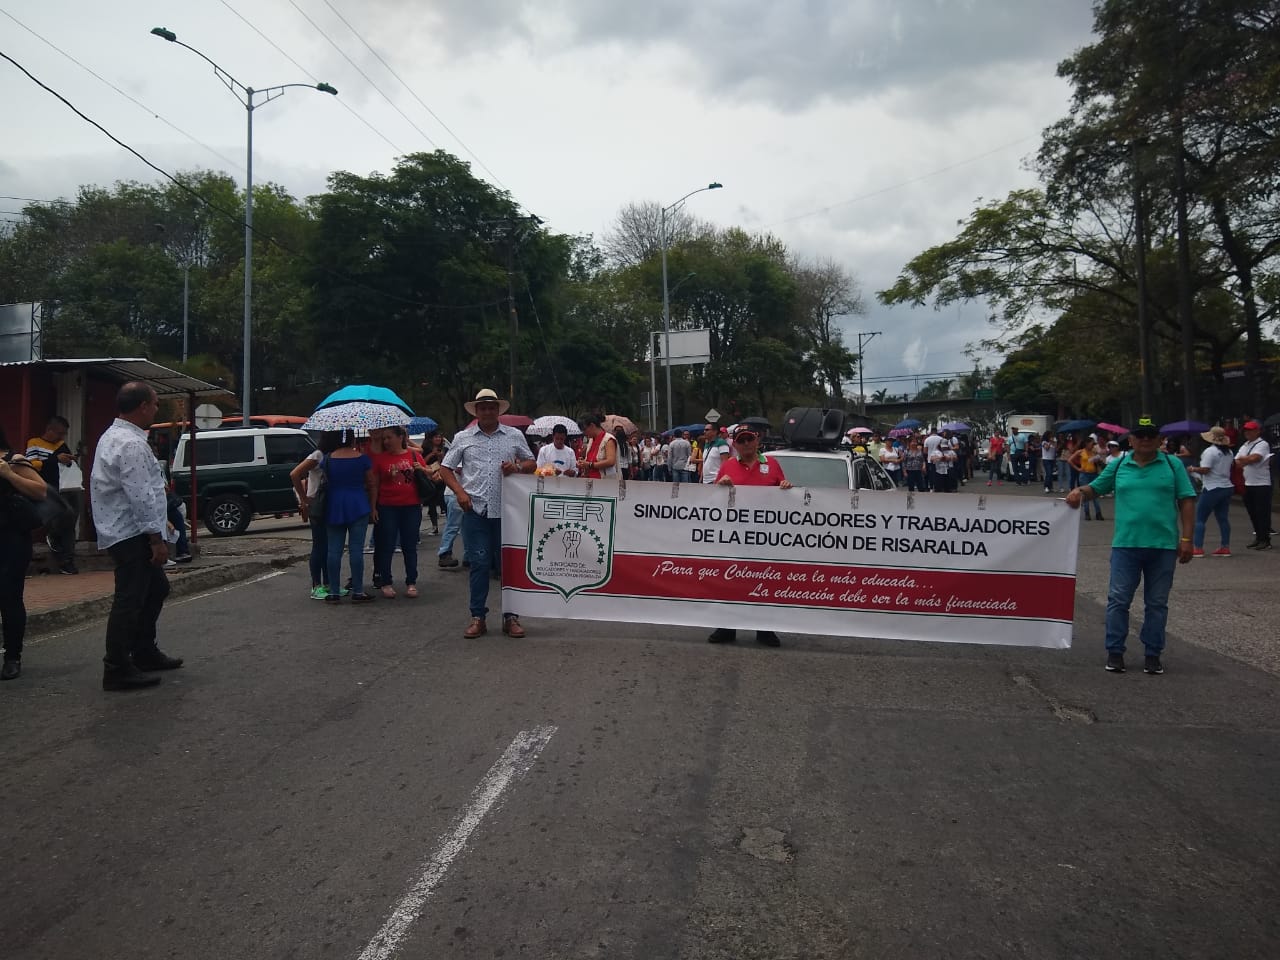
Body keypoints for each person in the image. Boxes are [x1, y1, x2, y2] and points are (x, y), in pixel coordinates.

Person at [1066, 416, 1195, 675]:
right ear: (1131, 439)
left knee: (1157, 603)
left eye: (1150, 435)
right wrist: (1079, 492)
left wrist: (1187, 539)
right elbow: (1097, 488)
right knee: (1118, 600)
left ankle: (1152, 654)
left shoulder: (1172, 465)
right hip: (1126, 545)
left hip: (1163, 546)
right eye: (1140, 435)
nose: (1145, 439)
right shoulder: (1121, 463)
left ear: (1160, 439)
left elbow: (1187, 500)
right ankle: (1115, 652)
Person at [90, 382, 184, 690]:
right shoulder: (130, 443)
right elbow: (140, 493)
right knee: (129, 599)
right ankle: (116, 666)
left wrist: (162, 522)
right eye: (155, 404)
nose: (156, 410)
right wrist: (155, 538)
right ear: (143, 405)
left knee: (155, 589)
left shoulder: (115, 436)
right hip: (130, 532)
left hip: (130, 528)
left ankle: (143, 651)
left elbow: (147, 492)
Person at [439, 388, 535, 638]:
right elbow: (445, 468)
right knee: (480, 564)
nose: (488, 411)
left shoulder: (513, 435)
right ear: (477, 411)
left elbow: (531, 462)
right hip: (476, 510)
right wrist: (460, 493)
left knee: (509, 566)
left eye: (492, 407)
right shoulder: (464, 437)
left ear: (498, 410)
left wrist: (516, 466)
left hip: (507, 510)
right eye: (483, 407)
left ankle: (511, 616)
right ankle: (478, 616)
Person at [708, 425, 793, 649]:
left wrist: (785, 487)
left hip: (764, 535)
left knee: (762, 580)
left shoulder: (772, 465)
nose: (746, 444)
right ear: (735, 444)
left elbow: (785, 495)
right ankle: (727, 627)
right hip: (734, 533)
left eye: (749, 440)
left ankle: (764, 629)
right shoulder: (727, 465)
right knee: (730, 578)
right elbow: (713, 499)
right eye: (741, 441)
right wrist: (721, 485)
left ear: (757, 441)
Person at [1, 427, 47, 681]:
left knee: (9, 598)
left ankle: (12, 657)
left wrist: (9, 475)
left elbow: (41, 491)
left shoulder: (13, 460)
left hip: (10, 539)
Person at [371, 425, 429, 599]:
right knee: (386, 545)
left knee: (409, 545)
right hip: (387, 506)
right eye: (384, 438)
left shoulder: (414, 455)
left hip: (411, 506)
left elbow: (430, 474)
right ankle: (386, 581)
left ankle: (411, 581)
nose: (386, 441)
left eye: (389, 437)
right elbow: (374, 484)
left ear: (400, 437)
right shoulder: (380, 459)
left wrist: (422, 469)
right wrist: (373, 507)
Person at [324, 430, 377, 605]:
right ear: (353, 438)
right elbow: (371, 483)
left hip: (334, 504)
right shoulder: (362, 458)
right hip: (358, 504)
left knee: (334, 550)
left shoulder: (328, 458)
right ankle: (358, 590)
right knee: (356, 549)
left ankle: (333, 591)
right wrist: (373, 506)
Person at [291, 430, 343, 600]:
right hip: (318, 504)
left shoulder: (334, 455)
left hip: (331, 503)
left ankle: (329, 583)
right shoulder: (318, 455)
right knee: (319, 545)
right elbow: (295, 474)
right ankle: (316, 585)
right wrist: (305, 499)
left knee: (330, 546)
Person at [26, 415, 81, 574]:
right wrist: (55, 459)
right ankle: (54, 536)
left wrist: (70, 460)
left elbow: (69, 465)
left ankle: (67, 559)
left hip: (66, 486)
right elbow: (32, 465)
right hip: (47, 487)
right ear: (49, 430)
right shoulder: (34, 443)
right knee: (66, 513)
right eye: (59, 433)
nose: (61, 437)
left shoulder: (61, 445)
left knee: (72, 518)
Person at [1188, 425, 1234, 557]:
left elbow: (1206, 470)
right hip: (1226, 486)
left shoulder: (1210, 451)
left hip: (1212, 487)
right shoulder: (1228, 452)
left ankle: (1198, 548)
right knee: (1223, 518)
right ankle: (1225, 546)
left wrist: (1193, 469)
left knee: (1200, 518)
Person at [1235, 419, 1273, 550]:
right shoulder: (1245, 445)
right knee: (1253, 512)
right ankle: (1258, 537)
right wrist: (1246, 460)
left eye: (1250, 430)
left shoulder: (1262, 444)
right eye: (1246, 430)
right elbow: (1237, 462)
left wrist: (1244, 460)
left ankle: (1265, 539)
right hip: (1248, 483)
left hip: (1261, 483)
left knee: (1262, 512)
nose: (1247, 433)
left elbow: (1255, 458)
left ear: (1257, 431)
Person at [1068, 438, 1104, 520]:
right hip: (1084, 474)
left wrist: (1097, 459)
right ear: (1086, 444)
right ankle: (1087, 513)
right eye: (1091, 444)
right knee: (1085, 494)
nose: (1093, 446)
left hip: (1094, 474)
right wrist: (1078, 468)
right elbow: (1070, 460)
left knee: (1095, 493)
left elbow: (1099, 462)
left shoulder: (1094, 452)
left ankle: (1098, 513)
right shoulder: (1080, 452)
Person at [579, 415, 618, 479]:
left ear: (592, 426)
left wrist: (590, 465)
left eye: (584, 429)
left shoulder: (608, 439)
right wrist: (583, 463)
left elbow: (611, 461)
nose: (584, 433)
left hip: (605, 481)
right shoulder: (591, 440)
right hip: (591, 480)